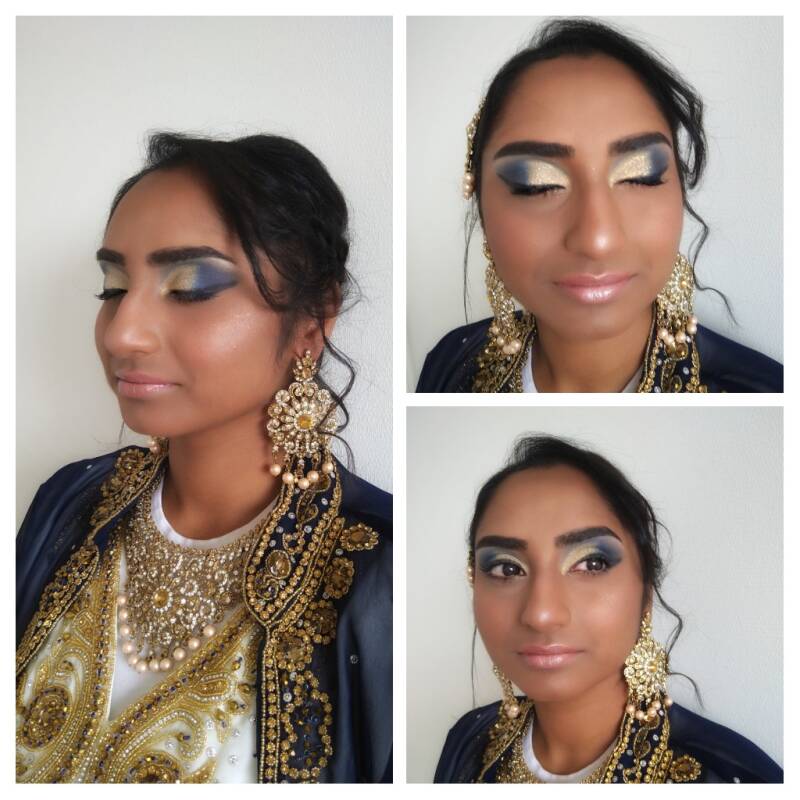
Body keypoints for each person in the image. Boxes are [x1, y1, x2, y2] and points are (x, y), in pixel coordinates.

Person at [16, 133, 392, 783]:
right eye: (113, 287)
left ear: (311, 321)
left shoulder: (378, 568)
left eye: (189, 287)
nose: (123, 332)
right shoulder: (71, 501)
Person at [416, 18, 783, 392]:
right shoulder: (451, 364)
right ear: (479, 201)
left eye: (640, 175)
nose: (597, 239)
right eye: (537, 184)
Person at [434, 435, 782, 783]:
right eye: (507, 568)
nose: (541, 614)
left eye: (592, 563)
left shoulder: (724, 778)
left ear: (645, 592)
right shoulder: (470, 742)